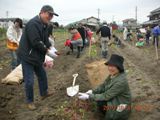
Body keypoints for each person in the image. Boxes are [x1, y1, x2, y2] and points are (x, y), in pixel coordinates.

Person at [17, 5, 59, 110]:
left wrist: (52, 48)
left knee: (42, 75)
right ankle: (30, 101)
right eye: (49, 15)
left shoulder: (44, 25)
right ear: (42, 12)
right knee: (29, 80)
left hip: (36, 56)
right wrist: (47, 51)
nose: (50, 17)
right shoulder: (33, 24)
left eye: (52, 16)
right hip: (28, 56)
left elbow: (45, 40)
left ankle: (44, 93)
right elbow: (36, 42)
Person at [78, 54, 132, 120]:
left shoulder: (121, 82)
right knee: (99, 100)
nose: (110, 68)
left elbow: (106, 96)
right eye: (109, 66)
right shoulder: (113, 75)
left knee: (100, 100)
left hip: (121, 105)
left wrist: (89, 96)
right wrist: (92, 91)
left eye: (113, 66)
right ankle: (104, 113)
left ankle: (114, 115)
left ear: (119, 67)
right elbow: (103, 86)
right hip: (115, 98)